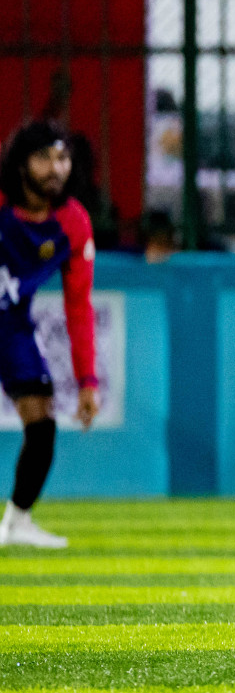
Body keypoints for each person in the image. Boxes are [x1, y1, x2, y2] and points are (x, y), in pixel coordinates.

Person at [0, 121, 100, 547]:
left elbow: (78, 306)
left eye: (62, 158)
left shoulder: (73, 223)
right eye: (44, 158)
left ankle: (17, 521)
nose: (56, 168)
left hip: (12, 325)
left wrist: (87, 380)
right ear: (21, 165)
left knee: (42, 422)